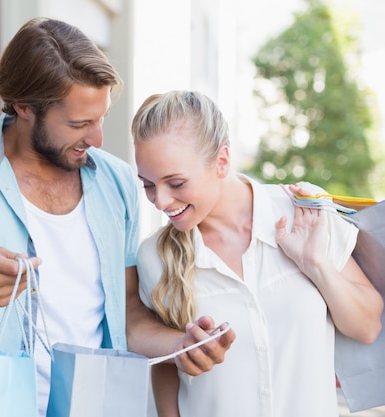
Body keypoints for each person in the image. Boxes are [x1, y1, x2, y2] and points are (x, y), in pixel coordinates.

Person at [0, 18, 234, 417]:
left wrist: (178, 347)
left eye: (100, 118)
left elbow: (127, 314)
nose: (98, 139)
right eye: (79, 124)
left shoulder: (117, 180)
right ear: (23, 107)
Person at [131, 90, 383, 417]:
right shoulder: (155, 256)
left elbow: (367, 327)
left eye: (176, 183)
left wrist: (315, 264)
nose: (161, 201)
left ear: (221, 161)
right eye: (148, 185)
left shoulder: (303, 214)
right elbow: (166, 369)